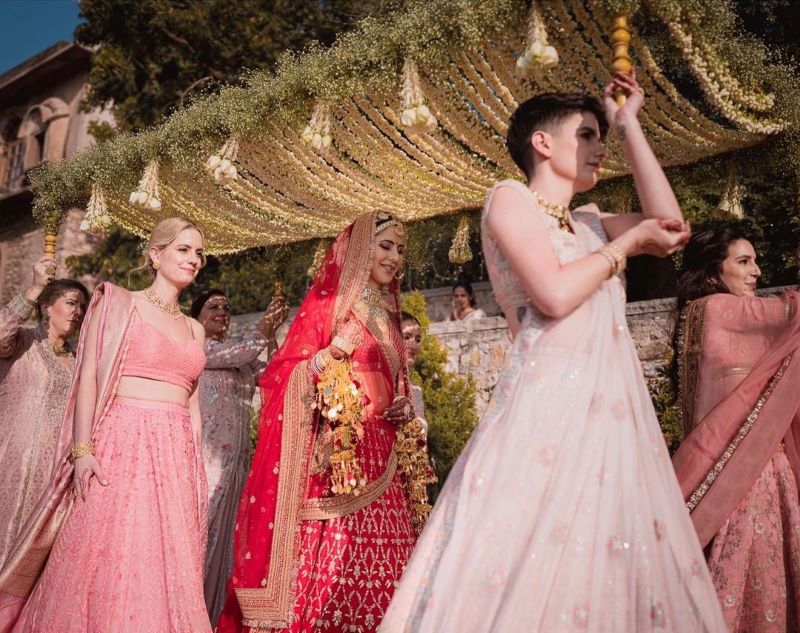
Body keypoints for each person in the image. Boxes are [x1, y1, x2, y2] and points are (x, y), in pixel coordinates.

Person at [379, 73, 726, 631]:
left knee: (604, 557)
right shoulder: (508, 198)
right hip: (544, 412)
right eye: (587, 135)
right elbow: (555, 293)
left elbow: (672, 227)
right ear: (542, 142)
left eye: (601, 138)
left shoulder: (589, 223)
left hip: (611, 414)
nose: (599, 148)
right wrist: (626, 245)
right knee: (528, 557)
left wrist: (629, 124)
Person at [218, 210, 433, 633]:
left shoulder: (389, 315)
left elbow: (396, 384)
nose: (394, 257)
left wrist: (404, 407)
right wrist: (331, 353)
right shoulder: (330, 306)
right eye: (385, 246)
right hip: (341, 464)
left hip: (386, 460)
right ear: (360, 250)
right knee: (332, 573)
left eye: (400, 249)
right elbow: (285, 374)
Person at [0, 218, 212, 632]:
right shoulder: (118, 303)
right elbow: (88, 380)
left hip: (176, 457)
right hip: (124, 444)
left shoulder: (195, 328)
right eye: (184, 249)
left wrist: (196, 468)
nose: (194, 259)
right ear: (155, 255)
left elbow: (193, 404)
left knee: (165, 563)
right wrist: (82, 451)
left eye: (199, 253)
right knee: (111, 557)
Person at [673, 227, 800, 632]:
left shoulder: (695, 313)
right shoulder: (720, 308)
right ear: (713, 272)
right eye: (743, 262)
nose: (756, 271)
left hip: (728, 464)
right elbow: (790, 313)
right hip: (749, 471)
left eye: (755, 261)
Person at [192, 288, 289, 626]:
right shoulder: (199, 348)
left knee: (231, 545)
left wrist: (273, 334)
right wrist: (264, 324)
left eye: (226, 306)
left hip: (237, 470)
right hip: (207, 464)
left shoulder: (241, 359)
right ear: (197, 316)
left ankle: (216, 620)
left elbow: (275, 376)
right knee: (203, 538)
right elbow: (243, 351)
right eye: (213, 306)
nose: (222, 311)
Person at [0, 259, 88, 567]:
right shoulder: (23, 342)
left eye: (82, 306)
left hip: (54, 473)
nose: (78, 311)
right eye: (71, 303)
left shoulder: (79, 361)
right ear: (47, 307)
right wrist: (35, 287)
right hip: (11, 461)